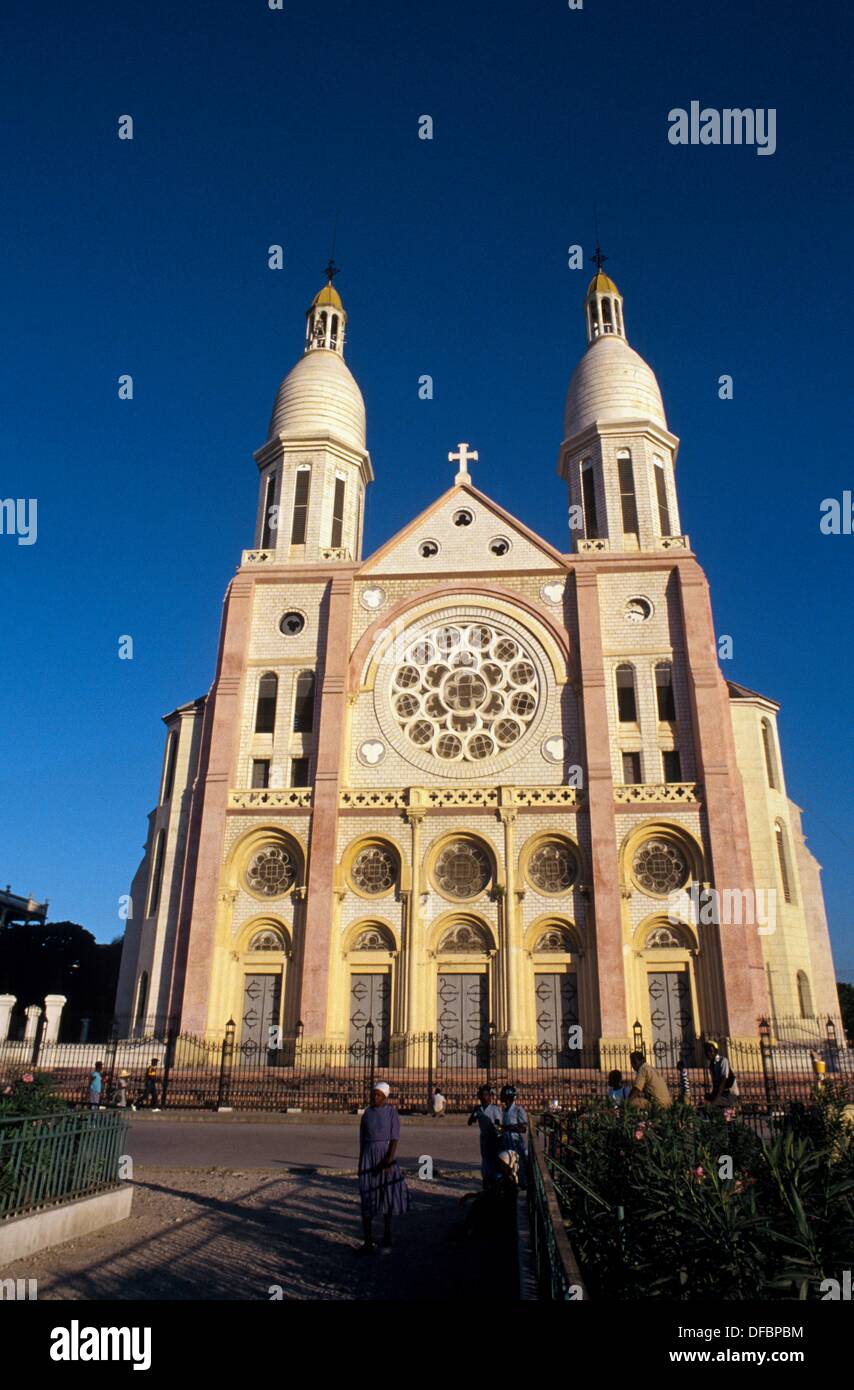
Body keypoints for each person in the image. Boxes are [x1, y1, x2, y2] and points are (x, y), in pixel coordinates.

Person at [356, 1081, 410, 1255]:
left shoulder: (391, 1113)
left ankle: (387, 1234)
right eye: (374, 1094)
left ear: (385, 1097)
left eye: (378, 1094)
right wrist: (360, 1161)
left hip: (385, 1158)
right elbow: (362, 1139)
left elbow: (395, 1139)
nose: (375, 1097)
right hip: (368, 1157)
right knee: (367, 1195)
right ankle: (368, 1240)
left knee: (386, 1195)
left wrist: (388, 1160)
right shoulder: (367, 1114)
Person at [467, 1084, 503, 1188]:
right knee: (485, 1158)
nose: (484, 1098)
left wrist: (498, 1136)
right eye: (483, 1095)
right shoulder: (478, 1109)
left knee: (494, 1158)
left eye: (487, 1095)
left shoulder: (495, 1109)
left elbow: (498, 1125)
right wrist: (474, 1112)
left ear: (490, 1096)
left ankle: (494, 1179)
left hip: (493, 1137)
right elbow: (470, 1122)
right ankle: (486, 1178)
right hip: (484, 1137)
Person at [498, 1085, 528, 1188]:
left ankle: (521, 1184)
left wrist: (510, 1128)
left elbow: (523, 1128)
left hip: (515, 1141)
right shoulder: (505, 1111)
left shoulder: (518, 1110)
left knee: (517, 1163)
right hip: (505, 1140)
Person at [703, 1040, 738, 1107]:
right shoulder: (711, 1065)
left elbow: (723, 1080)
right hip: (721, 1093)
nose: (708, 1053)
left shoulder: (723, 1061)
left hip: (730, 1093)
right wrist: (712, 1095)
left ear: (716, 1051)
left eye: (710, 1051)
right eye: (706, 1051)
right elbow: (715, 1083)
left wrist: (716, 1099)